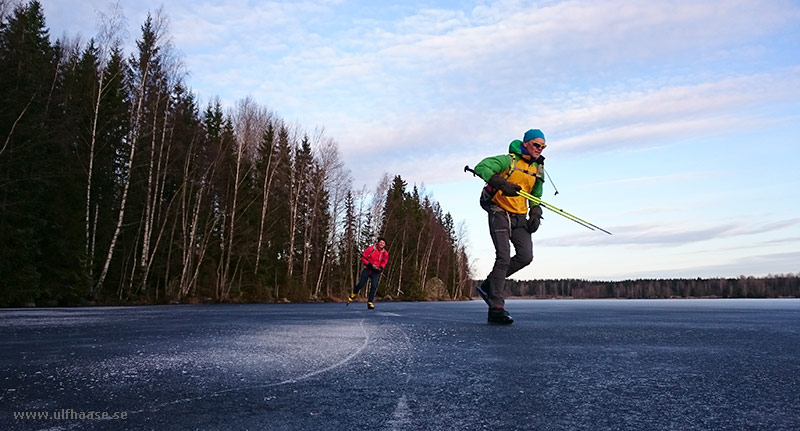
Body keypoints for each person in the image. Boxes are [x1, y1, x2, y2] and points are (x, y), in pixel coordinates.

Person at [473, 129, 547, 324]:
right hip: (499, 211)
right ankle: (496, 308)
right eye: (537, 145)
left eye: (543, 146)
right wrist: (501, 182)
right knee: (503, 257)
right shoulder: (508, 161)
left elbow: (536, 195)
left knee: (525, 256)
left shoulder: (538, 169)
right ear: (526, 143)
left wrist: (536, 213)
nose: (540, 149)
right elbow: (481, 167)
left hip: (520, 216)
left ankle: (489, 285)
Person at [347, 237, 389, 309]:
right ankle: (353, 294)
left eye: (383, 243)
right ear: (378, 243)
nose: (382, 244)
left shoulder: (385, 253)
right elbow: (363, 257)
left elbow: (384, 262)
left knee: (373, 286)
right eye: (381, 242)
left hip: (376, 271)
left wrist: (381, 267)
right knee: (361, 284)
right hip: (367, 269)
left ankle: (370, 302)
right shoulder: (370, 249)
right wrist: (368, 264)